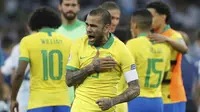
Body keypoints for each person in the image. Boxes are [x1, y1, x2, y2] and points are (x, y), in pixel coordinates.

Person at [66, 8, 140, 112]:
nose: (88, 29)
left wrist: (112, 101)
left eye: (93, 26)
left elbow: (135, 88)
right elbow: (69, 80)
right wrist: (91, 68)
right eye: (87, 25)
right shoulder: (78, 44)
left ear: (106, 28)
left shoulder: (121, 50)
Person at [10, 7, 72, 112]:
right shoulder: (68, 42)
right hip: (63, 102)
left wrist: (13, 99)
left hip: (38, 102)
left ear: (34, 23)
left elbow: (20, 73)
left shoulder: (27, 41)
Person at [146, 1, 188, 112]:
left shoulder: (174, 35)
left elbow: (184, 49)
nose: (149, 20)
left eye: (152, 16)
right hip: (153, 95)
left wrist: (167, 39)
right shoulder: (147, 36)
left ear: (163, 17)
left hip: (172, 96)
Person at [126, 9, 171, 112]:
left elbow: (125, 71)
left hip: (136, 100)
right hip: (157, 101)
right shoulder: (165, 46)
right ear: (151, 25)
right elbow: (165, 73)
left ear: (134, 25)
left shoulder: (133, 44)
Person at [100, 2, 128, 112]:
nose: (114, 22)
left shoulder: (121, 46)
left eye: (117, 18)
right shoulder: (83, 43)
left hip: (117, 105)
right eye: (112, 18)